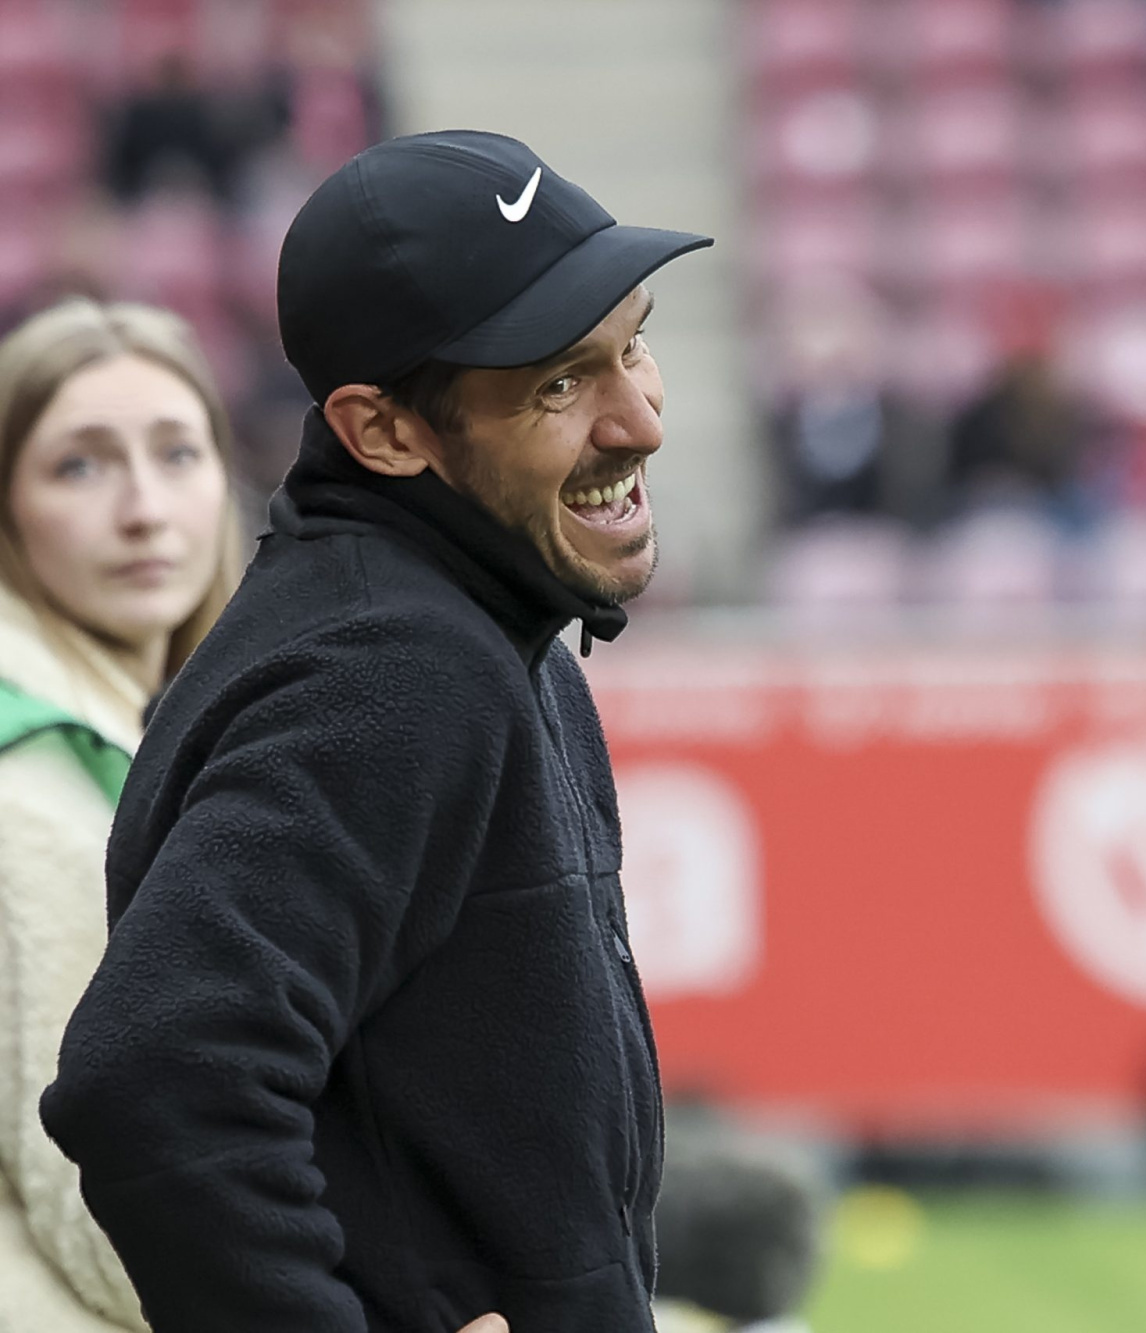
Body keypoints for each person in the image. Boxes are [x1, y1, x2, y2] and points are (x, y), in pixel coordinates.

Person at [38, 130, 711, 1333]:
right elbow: (153, 1080)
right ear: (384, 432)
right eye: (560, 384)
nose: (639, 420)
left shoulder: (473, 625)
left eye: (633, 345)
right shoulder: (393, 665)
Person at [0, 298, 240, 1331]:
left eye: (177, 452)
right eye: (80, 466)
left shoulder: (169, 719)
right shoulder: (27, 769)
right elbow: (101, 1193)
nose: (144, 509)